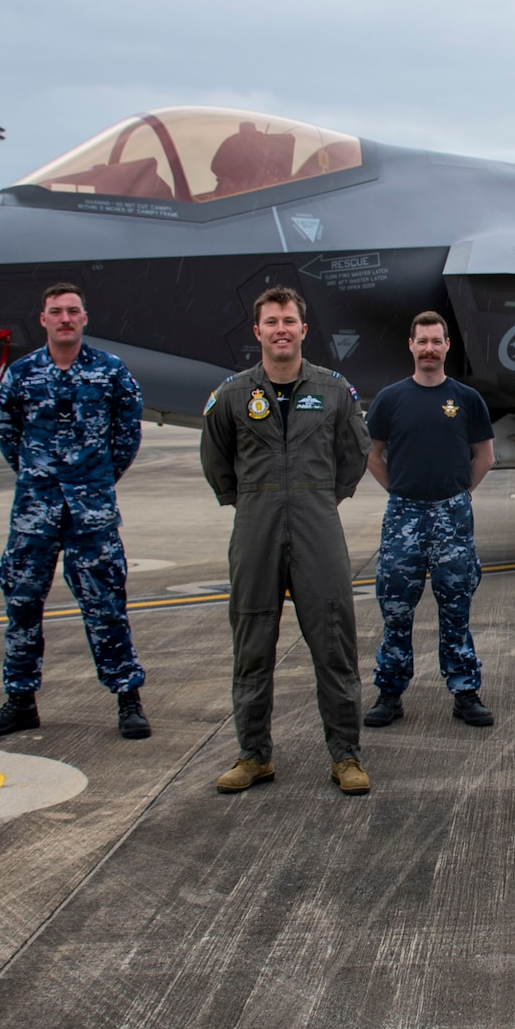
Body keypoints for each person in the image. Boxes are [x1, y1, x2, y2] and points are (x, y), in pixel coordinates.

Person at [200, 286, 375, 795]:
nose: (281, 329)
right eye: (271, 321)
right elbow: (216, 463)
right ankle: (254, 755)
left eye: (289, 321)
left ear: (303, 329)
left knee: (334, 641)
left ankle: (346, 756)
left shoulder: (335, 390)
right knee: (252, 643)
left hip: (317, 522)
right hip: (255, 525)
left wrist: (320, 499)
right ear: (258, 332)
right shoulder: (231, 395)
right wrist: (255, 503)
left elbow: (354, 454)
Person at [0, 283, 150, 741]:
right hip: (35, 512)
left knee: (107, 605)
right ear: (44, 319)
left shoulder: (110, 372)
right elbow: (7, 431)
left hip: (91, 515)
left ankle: (127, 698)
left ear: (85, 318)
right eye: (57, 312)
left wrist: (96, 479)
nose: (66, 318)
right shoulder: (22, 373)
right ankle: (19, 700)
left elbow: (127, 433)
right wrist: (39, 476)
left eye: (73, 311)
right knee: (22, 604)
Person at [362, 312, 498, 730]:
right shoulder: (390, 399)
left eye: (436, 341)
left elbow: (485, 456)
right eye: (421, 341)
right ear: (411, 345)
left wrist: (457, 495)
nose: (429, 349)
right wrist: (399, 492)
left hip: (452, 517)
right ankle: (390, 692)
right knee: (397, 608)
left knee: (456, 609)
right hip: (403, 514)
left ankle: (464, 692)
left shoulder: (467, 399)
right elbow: (372, 454)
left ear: (446, 346)